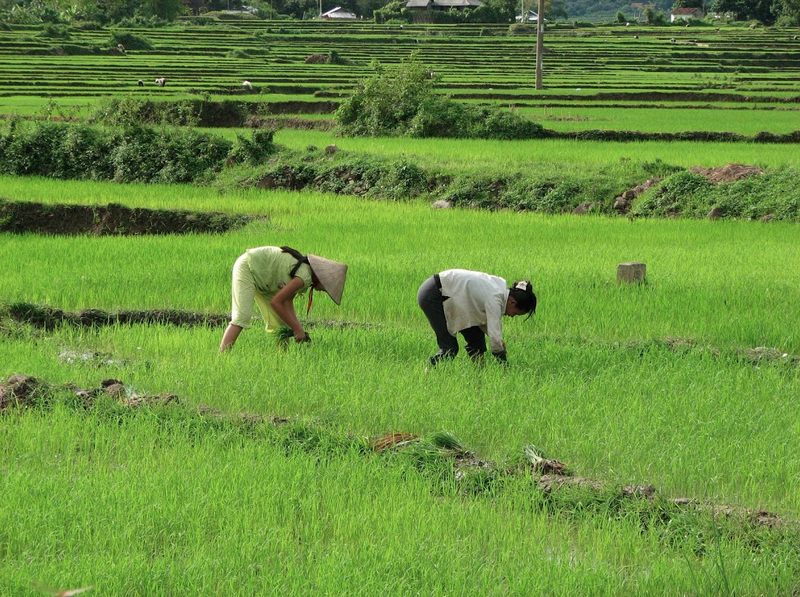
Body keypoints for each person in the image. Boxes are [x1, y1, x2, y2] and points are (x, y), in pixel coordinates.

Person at [219, 246, 347, 352]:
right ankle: (222, 358)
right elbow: (277, 302)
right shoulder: (304, 277)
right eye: (325, 288)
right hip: (249, 267)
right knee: (242, 317)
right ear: (321, 279)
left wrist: (297, 326)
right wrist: (297, 328)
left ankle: (281, 360)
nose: (322, 290)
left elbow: (287, 301)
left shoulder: (305, 272)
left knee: (282, 323)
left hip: (265, 279)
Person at [417, 269, 536, 365]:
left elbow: (485, 323)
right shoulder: (495, 298)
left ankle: (479, 378)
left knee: (477, 340)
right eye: (515, 313)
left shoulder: (499, 287)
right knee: (450, 348)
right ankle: (427, 371)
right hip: (434, 295)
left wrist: (497, 340)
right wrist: (503, 363)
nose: (511, 316)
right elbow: (495, 339)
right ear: (512, 302)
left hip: (453, 297)